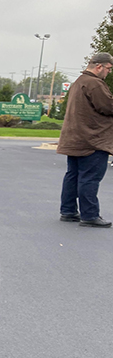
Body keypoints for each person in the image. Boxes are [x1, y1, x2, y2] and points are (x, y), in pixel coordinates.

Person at [57, 52, 113, 228]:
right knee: (90, 178)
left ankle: (68, 211)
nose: (108, 73)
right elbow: (107, 106)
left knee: (72, 176)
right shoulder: (95, 84)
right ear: (99, 66)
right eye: (109, 69)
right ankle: (90, 215)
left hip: (75, 139)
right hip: (92, 140)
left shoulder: (79, 82)